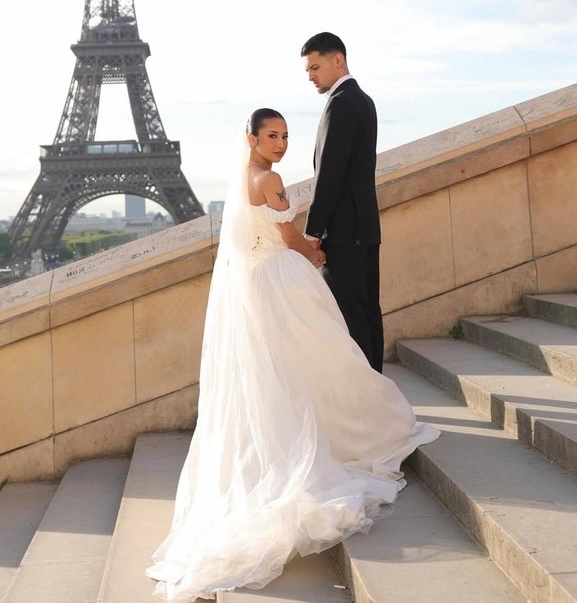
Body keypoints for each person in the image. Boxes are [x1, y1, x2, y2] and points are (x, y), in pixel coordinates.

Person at [146, 109, 440, 603]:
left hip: (255, 284)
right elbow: (287, 237)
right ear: (251, 137)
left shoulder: (244, 177)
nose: (280, 143)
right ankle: (352, 434)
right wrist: (314, 253)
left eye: (285, 135)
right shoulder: (271, 178)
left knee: (284, 371)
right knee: (324, 358)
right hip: (280, 280)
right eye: (271, 135)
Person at [301, 32, 384, 372]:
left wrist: (311, 232)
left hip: (345, 233)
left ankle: (368, 404)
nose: (311, 76)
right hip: (364, 228)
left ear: (339, 60)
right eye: (308, 71)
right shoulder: (363, 100)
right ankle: (379, 399)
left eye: (315, 67)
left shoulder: (341, 103)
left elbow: (330, 175)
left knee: (350, 321)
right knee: (367, 316)